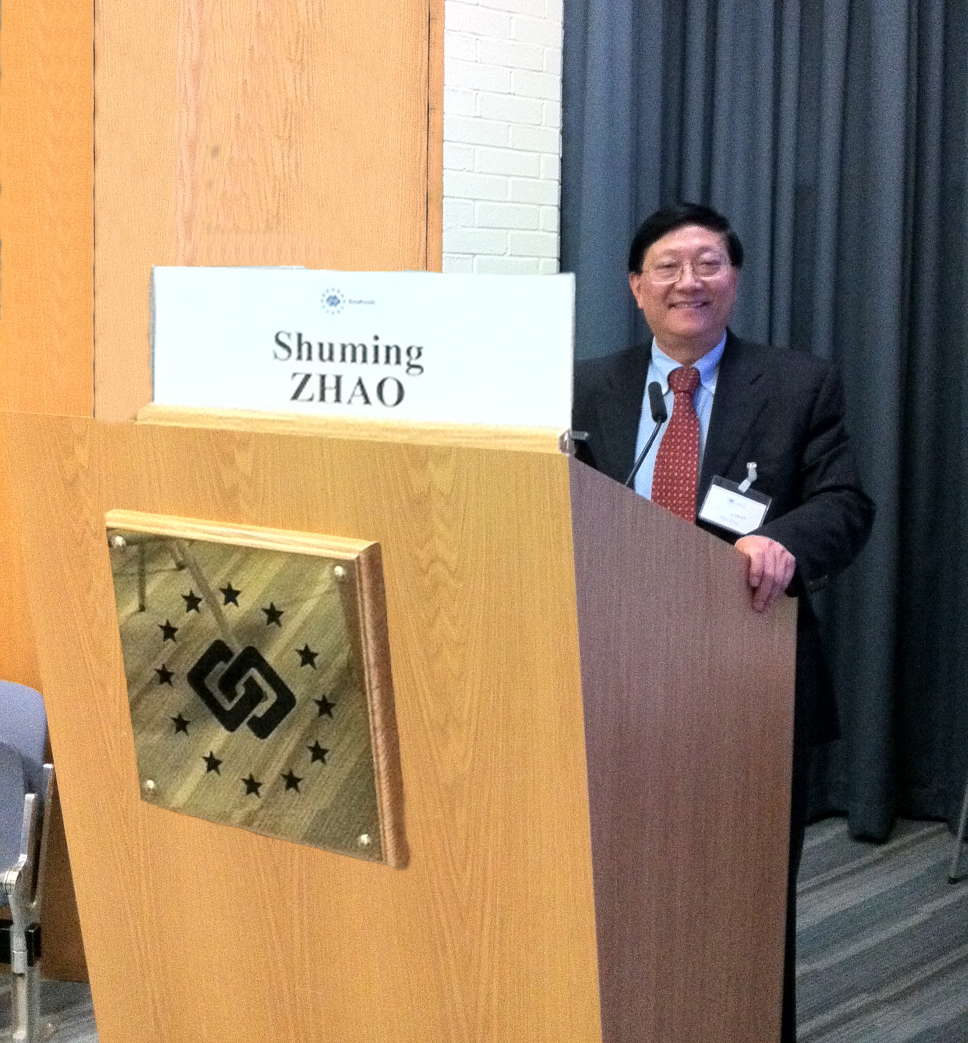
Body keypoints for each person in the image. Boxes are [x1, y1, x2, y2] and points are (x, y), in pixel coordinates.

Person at [572, 202, 874, 1042]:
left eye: (707, 263)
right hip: (613, 673)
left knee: (745, 888)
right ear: (636, 287)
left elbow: (845, 503)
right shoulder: (586, 385)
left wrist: (784, 541)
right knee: (613, 879)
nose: (688, 281)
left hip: (747, 671)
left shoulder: (799, 384)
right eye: (667, 266)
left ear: (734, 280)